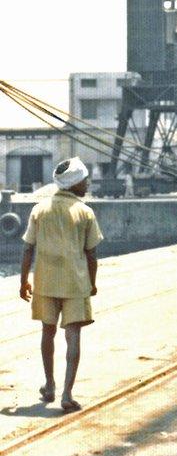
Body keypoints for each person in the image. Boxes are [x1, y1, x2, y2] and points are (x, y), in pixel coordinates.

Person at [19, 157, 103, 413]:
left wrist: (24, 281)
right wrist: (92, 283)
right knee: (73, 335)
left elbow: (27, 249)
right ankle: (67, 393)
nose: (88, 184)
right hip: (76, 282)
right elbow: (91, 254)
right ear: (75, 183)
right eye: (85, 180)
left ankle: (49, 384)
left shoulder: (39, 209)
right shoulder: (85, 212)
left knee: (47, 332)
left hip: (45, 280)